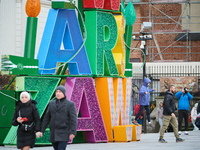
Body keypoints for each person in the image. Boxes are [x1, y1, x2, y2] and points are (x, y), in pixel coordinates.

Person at [40, 85, 77, 150]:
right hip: (53, 133)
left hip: (64, 132)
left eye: (60, 92)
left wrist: (73, 132)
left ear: (64, 93)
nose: (58, 93)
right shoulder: (51, 103)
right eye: (56, 92)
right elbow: (47, 118)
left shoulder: (70, 104)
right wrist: (42, 130)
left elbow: (73, 119)